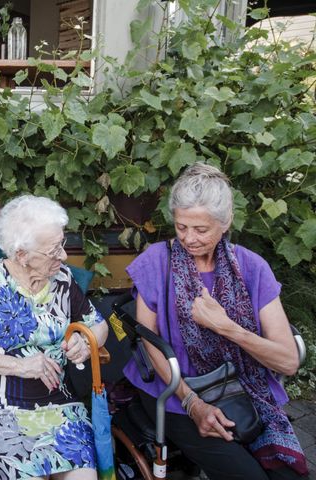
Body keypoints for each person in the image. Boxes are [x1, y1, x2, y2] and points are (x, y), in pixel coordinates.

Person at [124, 162, 308, 479]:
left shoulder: (252, 268)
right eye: (182, 227)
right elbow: (149, 342)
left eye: (201, 229)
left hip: (244, 389)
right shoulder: (156, 261)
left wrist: (225, 326)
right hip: (176, 393)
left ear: (226, 222)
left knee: (289, 475)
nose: (189, 239)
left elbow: (288, 361)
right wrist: (194, 404)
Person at [0, 194, 108, 480]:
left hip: (61, 407)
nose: (64, 256)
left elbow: (100, 326)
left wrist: (86, 341)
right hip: (4, 411)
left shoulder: (64, 279)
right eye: (53, 250)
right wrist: (21, 366)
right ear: (21, 254)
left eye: (62, 245)